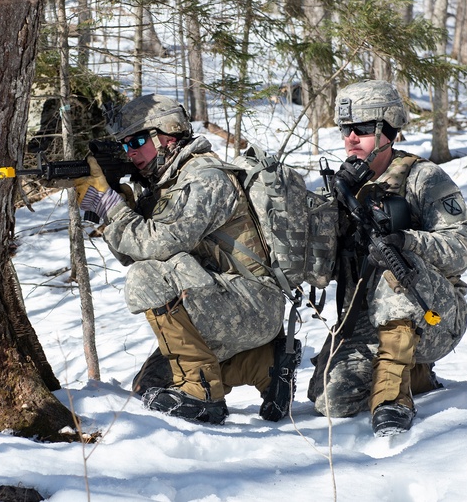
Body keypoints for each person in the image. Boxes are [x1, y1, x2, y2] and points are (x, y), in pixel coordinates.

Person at [72, 93, 298, 424]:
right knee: (149, 386)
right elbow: (131, 252)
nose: (130, 152)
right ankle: (266, 365)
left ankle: (202, 394)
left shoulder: (204, 177)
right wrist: (114, 208)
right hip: (219, 304)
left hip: (252, 304)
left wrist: (114, 209)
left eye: (137, 140)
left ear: (168, 134)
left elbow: (159, 246)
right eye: (124, 145)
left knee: (146, 277)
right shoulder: (165, 184)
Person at [308, 80, 467, 436]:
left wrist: (407, 241)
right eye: (346, 130)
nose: (351, 138)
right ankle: (412, 370)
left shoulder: (423, 177)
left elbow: (461, 249)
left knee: (390, 263)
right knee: (329, 398)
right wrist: (327, 217)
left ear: (387, 132)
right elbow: (319, 272)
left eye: (363, 130)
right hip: (370, 318)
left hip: (434, 315)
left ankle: (392, 400)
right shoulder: (341, 186)